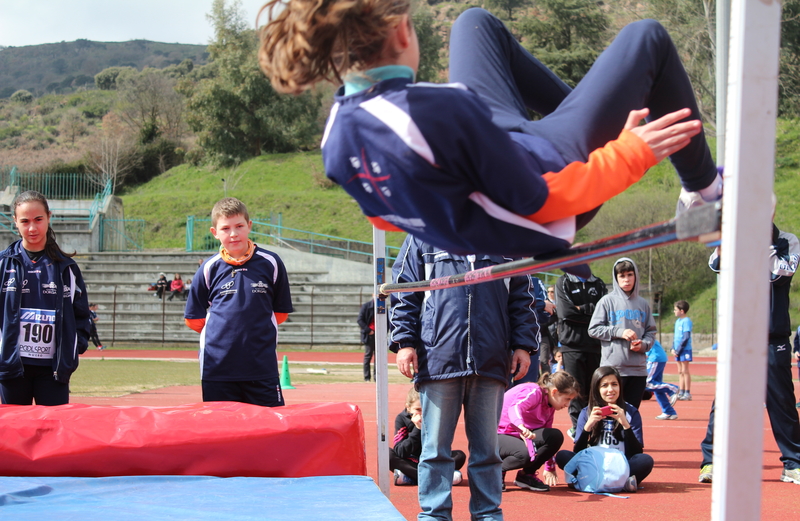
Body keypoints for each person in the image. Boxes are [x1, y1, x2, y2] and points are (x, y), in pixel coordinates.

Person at [258, 3, 722, 261]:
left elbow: (382, 214)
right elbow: (543, 201)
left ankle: (593, 110)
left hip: (501, 146)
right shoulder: (440, 109)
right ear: (402, 32)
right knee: (648, 37)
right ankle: (705, 189)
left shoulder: (335, 136)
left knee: (473, 22)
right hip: (554, 182)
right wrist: (628, 152)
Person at [389, 235, 539, 521]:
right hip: (439, 358)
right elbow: (404, 292)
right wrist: (404, 342)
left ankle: (488, 518)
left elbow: (523, 297)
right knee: (434, 448)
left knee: (487, 450)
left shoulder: (506, 239)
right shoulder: (422, 236)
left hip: (491, 359)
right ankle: (434, 518)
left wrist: (523, 345)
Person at [699, 223, 800, 484]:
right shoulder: (736, 237)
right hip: (739, 337)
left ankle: (792, 463)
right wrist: (727, 242)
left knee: (783, 401)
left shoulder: (787, 241)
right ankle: (710, 461)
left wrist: (760, 244)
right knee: (723, 400)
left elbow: (781, 272)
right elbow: (716, 265)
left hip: (772, 337)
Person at [184, 197, 294, 407]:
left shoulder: (271, 263)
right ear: (214, 233)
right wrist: (224, 335)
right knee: (221, 432)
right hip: (217, 368)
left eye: (239, 226)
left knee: (269, 430)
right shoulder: (209, 268)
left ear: (249, 226)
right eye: (225, 228)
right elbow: (193, 318)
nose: (233, 234)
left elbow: (280, 314)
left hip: (261, 367)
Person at [0, 190, 92, 406]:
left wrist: (73, 346)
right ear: (15, 222)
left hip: (54, 370)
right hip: (12, 368)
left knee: (53, 434)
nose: (32, 228)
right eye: (25, 221)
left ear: (49, 217)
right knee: (13, 436)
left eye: (38, 219)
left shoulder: (67, 268)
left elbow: (82, 315)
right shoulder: (3, 265)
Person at [555, 366, 654, 491]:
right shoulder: (587, 412)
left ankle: (596, 481)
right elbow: (578, 451)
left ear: (620, 387)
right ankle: (619, 483)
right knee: (563, 455)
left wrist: (625, 424)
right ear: (596, 388)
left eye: (614, 384)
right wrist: (588, 427)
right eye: (604, 385)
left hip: (621, 465)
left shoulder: (631, 412)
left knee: (645, 460)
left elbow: (637, 452)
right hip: (595, 464)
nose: (610, 390)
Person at [588, 257, 657, 409]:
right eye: (622, 276)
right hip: (613, 369)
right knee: (610, 414)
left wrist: (644, 345)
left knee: (631, 415)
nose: (626, 279)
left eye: (630, 275)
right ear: (616, 278)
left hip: (637, 370)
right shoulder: (607, 301)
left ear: (635, 276)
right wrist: (619, 331)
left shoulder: (643, 304)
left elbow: (651, 332)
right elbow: (593, 329)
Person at [497, 371, 578, 492]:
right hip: (498, 434)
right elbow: (514, 408)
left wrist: (549, 467)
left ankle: (526, 475)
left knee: (554, 436)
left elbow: (547, 433)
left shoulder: (550, 405)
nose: (568, 404)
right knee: (524, 455)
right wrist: (522, 427)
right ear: (554, 392)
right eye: (567, 399)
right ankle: (495, 472)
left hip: (519, 435)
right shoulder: (533, 391)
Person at [556, 271, 606, 436]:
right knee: (576, 393)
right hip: (572, 346)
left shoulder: (598, 284)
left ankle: (595, 432)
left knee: (595, 392)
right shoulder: (563, 282)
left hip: (595, 345)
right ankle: (579, 433)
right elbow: (565, 313)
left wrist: (581, 309)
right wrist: (591, 311)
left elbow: (603, 314)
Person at [391, 386, 466, 486]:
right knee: (387, 455)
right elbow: (400, 452)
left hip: (432, 459)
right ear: (408, 408)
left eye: (425, 409)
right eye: (418, 409)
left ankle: (411, 478)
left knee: (459, 456)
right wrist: (417, 429)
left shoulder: (435, 416)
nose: (422, 414)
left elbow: (441, 447)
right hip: (410, 461)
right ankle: (440, 478)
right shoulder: (402, 419)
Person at [646, 340, 679, 420]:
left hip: (655, 358)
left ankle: (672, 389)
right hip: (656, 357)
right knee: (657, 387)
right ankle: (669, 412)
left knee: (646, 383)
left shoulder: (637, 329)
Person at [358, 297, 387, 382]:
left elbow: (387, 321)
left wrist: (384, 332)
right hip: (369, 335)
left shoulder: (383, 306)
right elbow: (360, 320)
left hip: (380, 335)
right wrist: (368, 330)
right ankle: (367, 377)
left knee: (378, 357)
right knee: (368, 356)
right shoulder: (366, 306)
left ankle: (376, 377)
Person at [671, 300, 693, 400]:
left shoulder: (686, 321)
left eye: (676, 310)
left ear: (682, 311)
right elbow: (676, 337)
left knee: (685, 370)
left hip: (684, 349)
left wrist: (678, 350)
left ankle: (687, 393)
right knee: (680, 371)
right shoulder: (677, 321)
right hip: (677, 349)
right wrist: (673, 348)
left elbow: (685, 337)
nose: (674, 311)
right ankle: (681, 391)